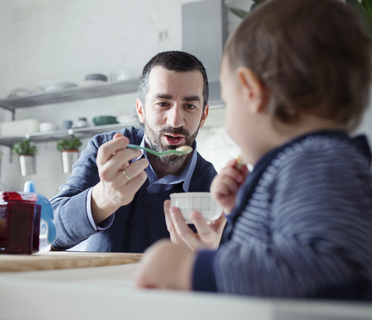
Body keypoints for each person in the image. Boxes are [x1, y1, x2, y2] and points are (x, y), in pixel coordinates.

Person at [135, 0, 372, 300]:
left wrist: (191, 269)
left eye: (230, 102)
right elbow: (287, 257)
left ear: (251, 91)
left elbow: (326, 265)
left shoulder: (314, 163)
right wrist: (245, 211)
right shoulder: (312, 164)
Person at [50, 51, 218, 253]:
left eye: (189, 106)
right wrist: (103, 199)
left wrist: (212, 259)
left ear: (204, 115)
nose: (175, 121)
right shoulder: (107, 151)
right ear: (141, 110)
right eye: (162, 104)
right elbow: (48, 232)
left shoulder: (213, 188)